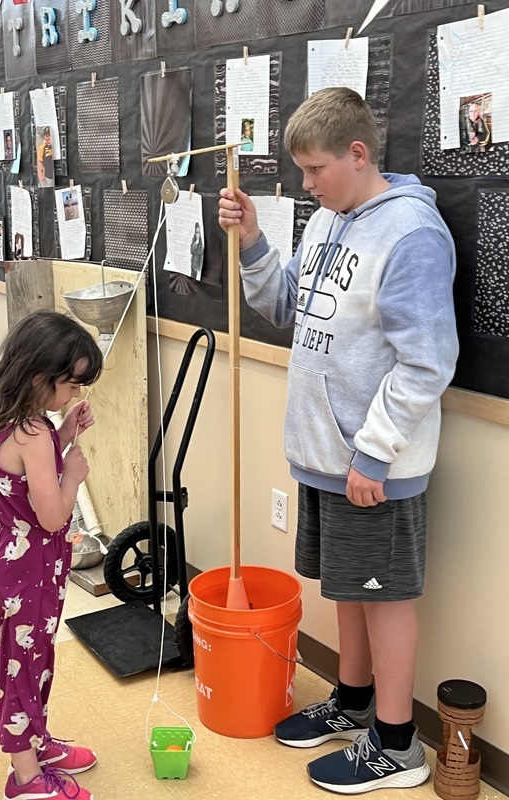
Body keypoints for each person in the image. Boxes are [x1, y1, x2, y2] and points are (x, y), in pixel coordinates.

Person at [219, 87, 458, 793]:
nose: (307, 184)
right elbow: (284, 305)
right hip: (326, 455)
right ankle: (353, 704)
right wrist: (253, 240)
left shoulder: (411, 234)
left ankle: (397, 746)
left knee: (385, 600)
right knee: (349, 590)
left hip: (373, 464)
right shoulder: (328, 219)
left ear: (358, 154)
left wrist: (375, 453)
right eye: (301, 171)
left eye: (315, 169)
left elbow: (427, 362)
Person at [0, 310, 103, 800]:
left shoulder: (5, 417)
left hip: (10, 563)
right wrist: (73, 474)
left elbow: (21, 476)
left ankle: (36, 742)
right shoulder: (32, 434)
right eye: (70, 385)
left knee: (26, 660)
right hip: (28, 571)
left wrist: (64, 432)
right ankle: (25, 776)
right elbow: (52, 516)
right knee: (24, 668)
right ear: (38, 377)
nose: (73, 394)